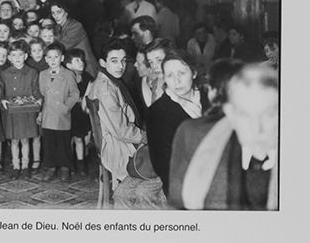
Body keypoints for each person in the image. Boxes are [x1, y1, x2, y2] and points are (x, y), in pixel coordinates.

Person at [168, 56, 280, 211]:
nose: (256, 128)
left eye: (268, 114)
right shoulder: (195, 139)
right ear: (230, 114)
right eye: (245, 115)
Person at [83, 41, 147, 188]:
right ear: (103, 63)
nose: (120, 66)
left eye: (123, 61)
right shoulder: (106, 89)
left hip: (116, 140)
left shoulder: (103, 81)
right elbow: (120, 130)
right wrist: (145, 136)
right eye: (114, 61)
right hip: (117, 146)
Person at [144, 54, 201, 186]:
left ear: (194, 73)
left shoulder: (210, 98)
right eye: (170, 75)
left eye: (181, 73)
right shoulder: (157, 113)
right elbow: (164, 167)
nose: (177, 81)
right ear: (164, 79)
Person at [36, 42, 80, 181]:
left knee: (63, 143)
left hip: (62, 116)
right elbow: (43, 94)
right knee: (49, 143)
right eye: (49, 57)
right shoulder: (42, 74)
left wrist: (65, 107)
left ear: (62, 58)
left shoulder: (68, 74)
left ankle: (65, 168)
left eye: (56, 57)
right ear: (46, 59)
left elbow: (75, 94)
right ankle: (50, 167)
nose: (53, 60)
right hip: (48, 115)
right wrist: (41, 112)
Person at [0, 43, 41, 176]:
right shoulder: (4, 74)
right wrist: (2, 99)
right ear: (9, 57)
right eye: (14, 55)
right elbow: (1, 92)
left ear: (26, 56)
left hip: (27, 111)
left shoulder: (32, 72)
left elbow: (36, 89)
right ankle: (16, 166)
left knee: (26, 139)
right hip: (13, 112)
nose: (17, 58)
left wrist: (39, 98)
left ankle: (26, 166)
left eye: (20, 55)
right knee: (14, 140)